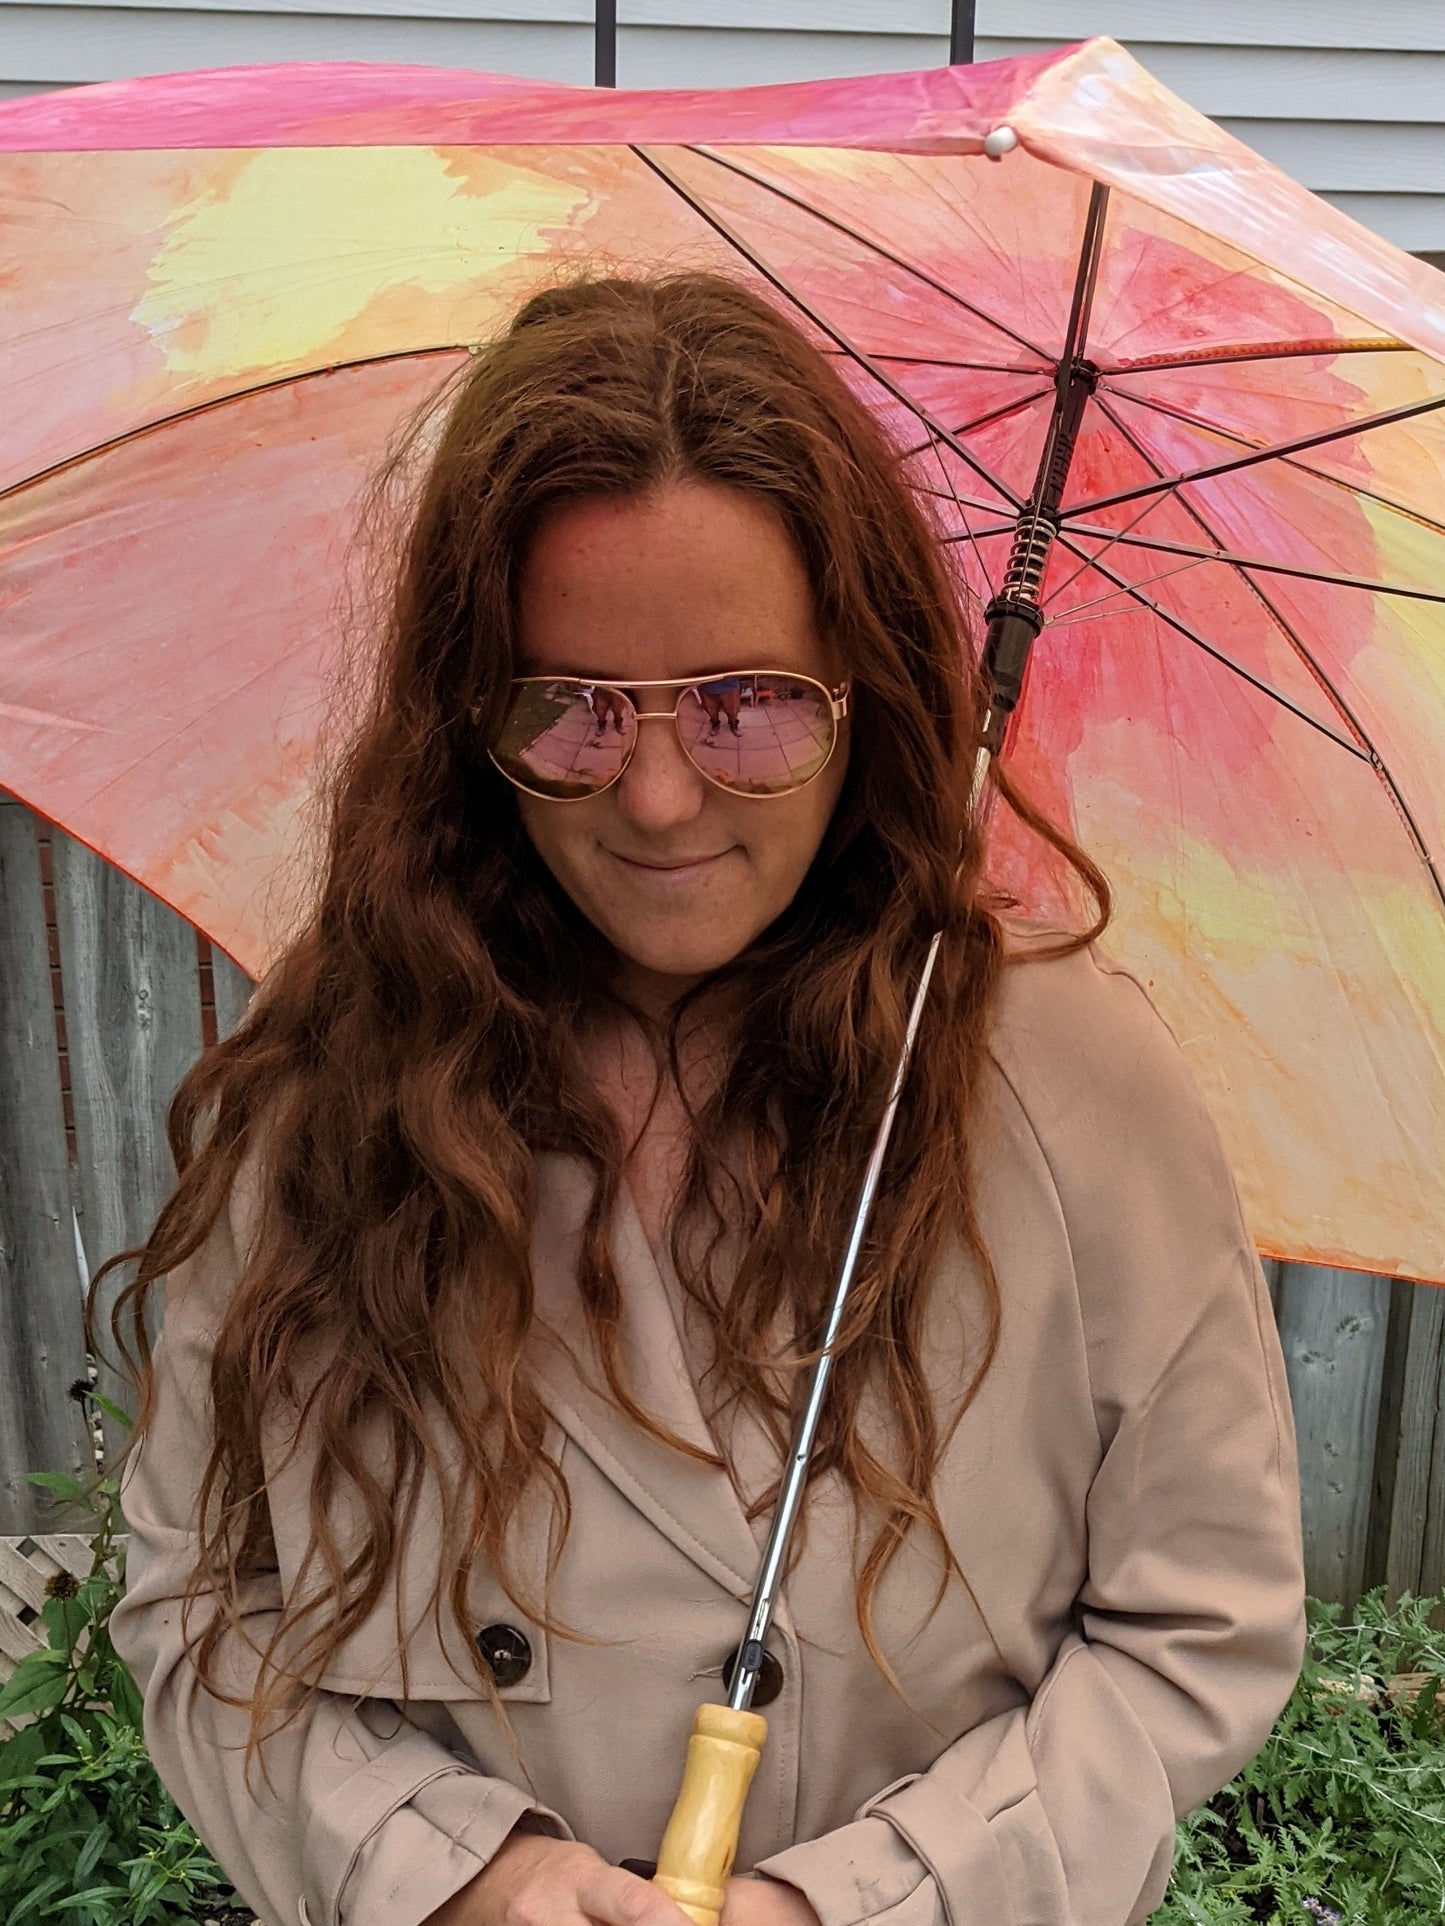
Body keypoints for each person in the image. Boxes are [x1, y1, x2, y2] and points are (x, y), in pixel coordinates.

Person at [102, 271, 1307, 1926]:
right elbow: (197, 1601)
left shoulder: (1071, 1082)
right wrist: (460, 1880)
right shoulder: (346, 1069)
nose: (659, 798)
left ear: (860, 688)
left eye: (745, 705)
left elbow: (1200, 1626)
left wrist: (863, 1906)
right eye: (576, 708)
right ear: (476, 714)